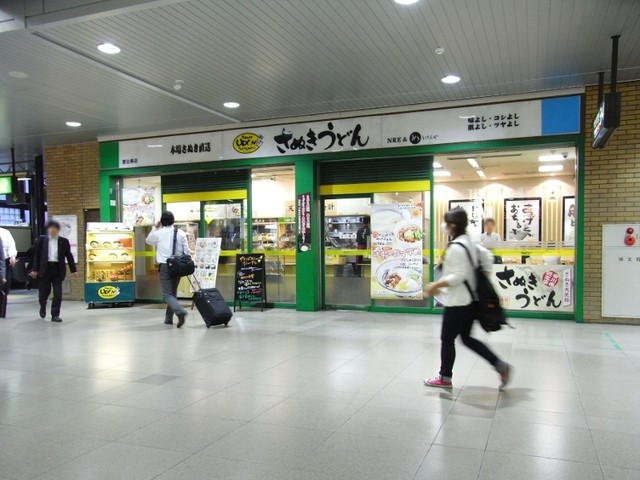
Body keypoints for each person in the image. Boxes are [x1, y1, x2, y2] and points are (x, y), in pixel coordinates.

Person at [424, 207, 511, 390]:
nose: (443, 226)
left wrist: (435, 286)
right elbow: (487, 257)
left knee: (447, 339)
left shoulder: (457, 247)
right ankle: (499, 365)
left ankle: (444, 378)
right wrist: (482, 278)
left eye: (446, 222)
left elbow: (458, 276)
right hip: (471, 301)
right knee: (466, 338)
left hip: (457, 302)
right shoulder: (469, 243)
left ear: (453, 225)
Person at [146, 211, 189, 328]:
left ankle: (180, 311)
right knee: (173, 293)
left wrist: (155, 227)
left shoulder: (158, 233)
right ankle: (168, 319)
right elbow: (186, 252)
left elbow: (148, 240)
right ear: (173, 220)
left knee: (167, 294)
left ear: (161, 221)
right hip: (178, 266)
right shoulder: (181, 233)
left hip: (165, 266)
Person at [30, 221, 77, 323]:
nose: (52, 230)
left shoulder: (63, 241)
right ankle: (42, 306)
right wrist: (35, 270)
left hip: (57, 269)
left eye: (54, 229)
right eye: (50, 228)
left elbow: (69, 256)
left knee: (58, 294)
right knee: (43, 294)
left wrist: (73, 270)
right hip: (45, 269)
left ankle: (55, 315)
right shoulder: (41, 240)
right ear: (48, 229)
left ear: (58, 230)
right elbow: (36, 256)